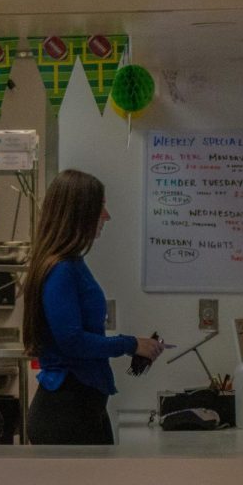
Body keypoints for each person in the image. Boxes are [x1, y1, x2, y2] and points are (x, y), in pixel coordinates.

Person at [20, 169, 164, 445]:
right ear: (79, 214)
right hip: (65, 413)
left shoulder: (71, 265)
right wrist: (130, 344)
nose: (106, 216)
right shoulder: (61, 270)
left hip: (84, 406)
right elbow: (71, 341)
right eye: (100, 208)